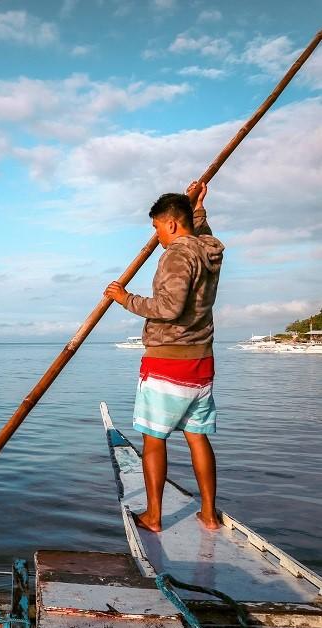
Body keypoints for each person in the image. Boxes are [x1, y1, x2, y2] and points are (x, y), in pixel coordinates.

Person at [104, 181, 224, 532]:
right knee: (197, 436)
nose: (157, 236)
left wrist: (126, 299)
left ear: (171, 224)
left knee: (153, 439)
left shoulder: (176, 254)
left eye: (157, 228)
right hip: (201, 362)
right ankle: (208, 514)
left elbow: (169, 308)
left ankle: (154, 517)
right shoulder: (209, 250)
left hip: (168, 362)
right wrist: (198, 208)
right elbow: (201, 234)